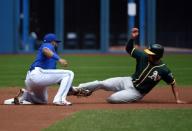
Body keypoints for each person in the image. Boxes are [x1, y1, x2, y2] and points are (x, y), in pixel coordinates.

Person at [69, 28, 186, 104]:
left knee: (112, 99)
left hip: (137, 92)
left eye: (151, 53)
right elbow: (129, 49)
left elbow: (173, 83)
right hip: (127, 80)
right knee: (102, 83)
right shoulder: (143, 56)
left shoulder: (163, 70)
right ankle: (76, 89)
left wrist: (177, 99)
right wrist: (132, 38)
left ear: (157, 56)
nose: (148, 54)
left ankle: (126, 96)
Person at [4, 33, 74, 106]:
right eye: (56, 42)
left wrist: (71, 88)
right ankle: (59, 100)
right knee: (69, 73)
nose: (56, 44)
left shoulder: (51, 59)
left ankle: (25, 96)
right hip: (37, 74)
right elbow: (45, 50)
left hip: (32, 79)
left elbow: (56, 77)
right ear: (52, 41)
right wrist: (59, 59)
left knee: (42, 100)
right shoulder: (48, 45)